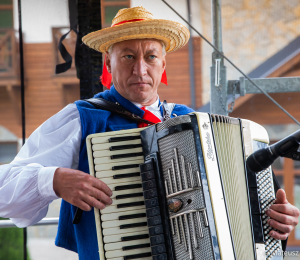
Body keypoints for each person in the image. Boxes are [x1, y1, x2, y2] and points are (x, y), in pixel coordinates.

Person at [0, 6, 298, 260]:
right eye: (128, 57)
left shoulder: (194, 124)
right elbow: (5, 187)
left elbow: (238, 214)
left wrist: (274, 222)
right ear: (108, 63)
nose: (140, 69)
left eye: (151, 57)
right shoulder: (81, 118)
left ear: (163, 64)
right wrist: (53, 180)